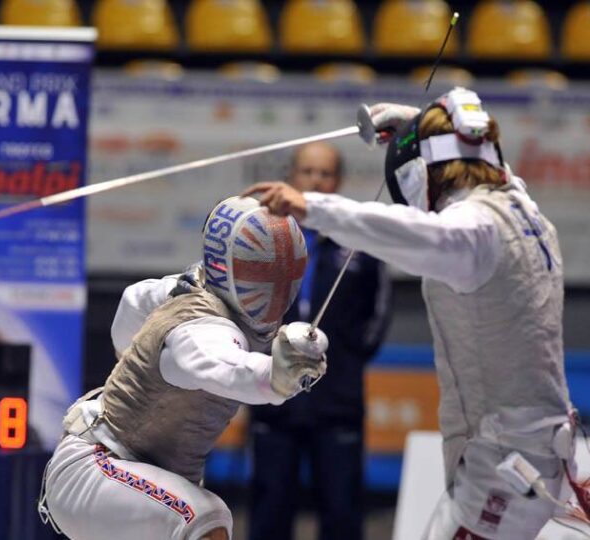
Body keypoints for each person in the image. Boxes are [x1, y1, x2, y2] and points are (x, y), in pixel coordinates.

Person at [243, 87, 589, 539]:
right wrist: (416, 123)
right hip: (527, 451)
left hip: (505, 466)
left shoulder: (474, 231)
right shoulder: (524, 210)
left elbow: (418, 234)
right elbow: (488, 157)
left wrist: (312, 207)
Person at [39, 196, 328, 540]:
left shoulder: (183, 287)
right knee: (204, 518)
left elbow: (134, 299)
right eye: (261, 273)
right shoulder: (201, 327)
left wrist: (136, 364)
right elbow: (222, 366)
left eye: (283, 276)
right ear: (228, 269)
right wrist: (276, 377)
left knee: (200, 516)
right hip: (98, 470)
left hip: (135, 476)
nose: (275, 290)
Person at [249, 142, 392, 540]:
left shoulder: (358, 240)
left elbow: (378, 312)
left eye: (325, 173)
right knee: (270, 506)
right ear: (291, 177)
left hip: (338, 400)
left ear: (338, 180)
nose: (316, 180)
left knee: (342, 508)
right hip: (272, 394)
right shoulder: (268, 235)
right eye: (308, 172)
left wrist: (346, 359)